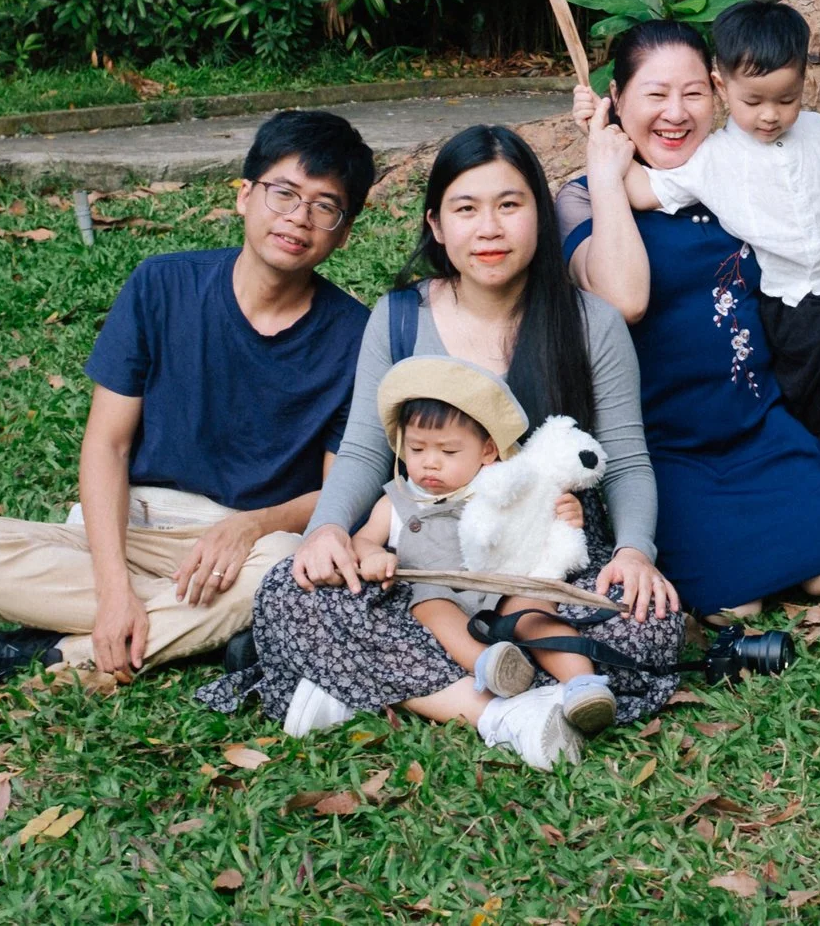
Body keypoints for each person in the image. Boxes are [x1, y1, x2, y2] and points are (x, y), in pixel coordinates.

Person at [196, 124, 680, 767]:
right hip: (423, 557)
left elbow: (627, 455)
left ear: (540, 213)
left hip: (544, 561)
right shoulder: (399, 317)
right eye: (466, 208)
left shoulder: (591, 321)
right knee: (292, 593)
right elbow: (368, 452)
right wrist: (327, 531)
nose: (489, 229)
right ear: (436, 223)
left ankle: (377, 683)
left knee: (649, 626)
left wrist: (633, 552)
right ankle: (503, 712)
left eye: (510, 205)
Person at [0, 110, 376, 686]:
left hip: (254, 542)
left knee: (288, 572)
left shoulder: (358, 336)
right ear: (243, 196)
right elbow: (107, 445)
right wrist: (115, 589)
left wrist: (250, 526)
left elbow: (339, 491)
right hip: (133, 523)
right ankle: (219, 631)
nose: (298, 217)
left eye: (324, 206)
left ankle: (47, 655)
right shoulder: (160, 285)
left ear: (343, 230)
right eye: (283, 192)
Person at [562, 20, 820, 613]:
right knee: (737, 605)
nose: (676, 113)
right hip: (664, 448)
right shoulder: (580, 197)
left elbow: (816, 261)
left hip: (758, 425)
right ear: (617, 100)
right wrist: (603, 169)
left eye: (693, 92)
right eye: (655, 94)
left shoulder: (732, 179)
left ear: (718, 93)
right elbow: (624, 300)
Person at [606, 0, 820, 491]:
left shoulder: (819, 132)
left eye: (785, 100)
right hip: (790, 301)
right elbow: (642, 190)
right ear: (723, 87)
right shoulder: (711, 159)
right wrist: (605, 137)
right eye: (754, 102)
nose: (770, 116)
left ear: (804, 85)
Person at [344, 355, 617, 734]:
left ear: (488, 450)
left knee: (533, 611)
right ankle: (494, 667)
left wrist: (567, 513)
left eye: (448, 452)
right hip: (437, 590)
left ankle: (582, 684)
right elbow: (363, 538)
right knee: (432, 608)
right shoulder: (398, 500)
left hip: (502, 582)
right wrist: (372, 554)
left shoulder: (502, 486)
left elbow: (541, 517)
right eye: (417, 450)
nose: (430, 464)